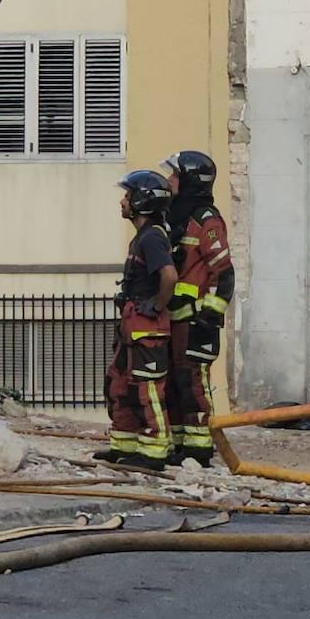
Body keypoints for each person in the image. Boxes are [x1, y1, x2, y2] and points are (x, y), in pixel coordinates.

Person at [94, 170, 179, 472]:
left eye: (127, 196)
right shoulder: (142, 237)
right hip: (133, 325)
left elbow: (169, 276)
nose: (122, 201)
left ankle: (156, 450)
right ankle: (125, 445)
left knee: (148, 389)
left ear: (143, 200)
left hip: (147, 327)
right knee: (121, 385)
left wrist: (157, 304)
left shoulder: (153, 237)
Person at [160, 150, 235, 467]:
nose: (168, 181)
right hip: (176, 319)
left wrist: (211, 314)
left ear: (190, 181)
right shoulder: (175, 218)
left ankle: (200, 448)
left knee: (194, 385)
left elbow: (225, 272)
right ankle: (181, 444)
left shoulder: (206, 221)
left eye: (174, 176)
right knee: (175, 384)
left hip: (197, 322)